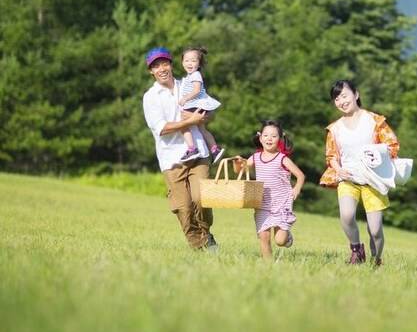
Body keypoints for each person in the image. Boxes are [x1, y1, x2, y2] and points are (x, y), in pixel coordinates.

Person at [142, 46, 218, 252]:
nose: (161, 69)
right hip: (171, 159)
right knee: (183, 208)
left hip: (198, 153)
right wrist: (190, 120)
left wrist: (204, 116)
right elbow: (162, 129)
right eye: (156, 66)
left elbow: (207, 110)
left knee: (201, 198)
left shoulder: (188, 84)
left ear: (171, 64)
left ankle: (206, 236)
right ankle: (198, 245)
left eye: (164, 63)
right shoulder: (150, 97)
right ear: (151, 71)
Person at [320, 80, 400, 267]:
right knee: (346, 215)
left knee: (376, 231)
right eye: (337, 98)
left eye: (344, 96)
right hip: (348, 178)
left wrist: (378, 155)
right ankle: (356, 250)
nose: (341, 101)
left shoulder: (374, 121)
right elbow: (331, 155)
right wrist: (338, 170)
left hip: (373, 180)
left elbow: (392, 145)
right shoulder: (335, 128)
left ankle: (376, 259)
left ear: (356, 95)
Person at [233, 120, 305, 260]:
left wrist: (297, 187)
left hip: (281, 202)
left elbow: (300, 175)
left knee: (280, 241)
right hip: (262, 202)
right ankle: (268, 266)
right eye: (266, 135)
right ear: (260, 138)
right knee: (264, 237)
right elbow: (239, 171)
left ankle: (287, 236)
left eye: (273, 136)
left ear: (280, 139)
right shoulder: (255, 157)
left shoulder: (282, 159)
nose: (269, 139)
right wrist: (237, 163)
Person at [177, 46, 224, 164]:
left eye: (193, 61)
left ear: (199, 64)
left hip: (196, 104)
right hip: (199, 105)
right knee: (202, 129)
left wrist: (185, 98)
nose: (190, 63)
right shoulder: (190, 76)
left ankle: (192, 149)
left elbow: (197, 90)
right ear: (182, 62)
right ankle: (214, 149)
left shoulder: (195, 75)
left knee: (182, 124)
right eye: (187, 60)